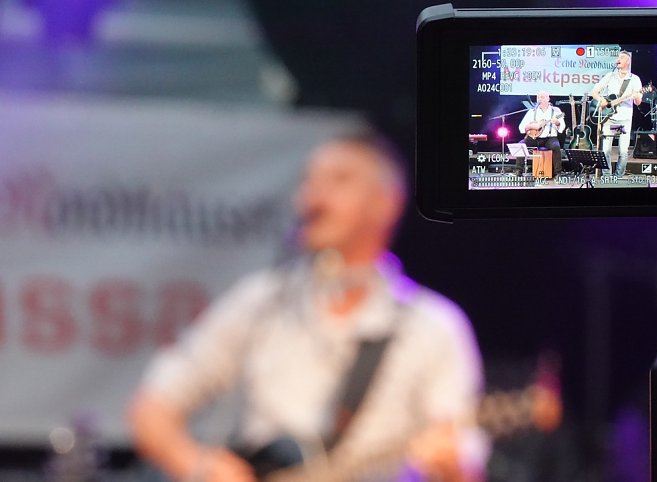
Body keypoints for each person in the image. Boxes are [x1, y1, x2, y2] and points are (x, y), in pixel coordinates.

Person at [127, 129, 486, 482]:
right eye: (308, 181)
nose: (314, 197)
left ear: (385, 202)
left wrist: (449, 466)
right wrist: (200, 466)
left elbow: (464, 464)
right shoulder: (261, 300)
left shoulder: (434, 326)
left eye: (339, 180)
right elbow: (152, 409)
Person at [590, 51, 643, 177]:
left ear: (628, 61)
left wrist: (636, 96)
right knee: (606, 150)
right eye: (618, 57)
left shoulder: (634, 79)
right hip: (609, 118)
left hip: (624, 120)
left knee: (623, 151)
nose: (618, 59)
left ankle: (618, 177)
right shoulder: (610, 76)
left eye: (622, 57)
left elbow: (638, 102)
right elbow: (594, 92)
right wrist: (602, 100)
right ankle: (607, 176)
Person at [515, 91, 565, 178]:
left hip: (549, 138)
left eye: (542, 97)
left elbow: (562, 127)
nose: (540, 99)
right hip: (534, 138)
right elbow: (521, 127)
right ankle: (518, 171)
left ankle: (558, 173)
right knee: (521, 145)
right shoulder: (532, 111)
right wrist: (531, 126)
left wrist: (557, 123)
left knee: (556, 146)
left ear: (548, 99)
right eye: (538, 97)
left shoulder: (556, 111)